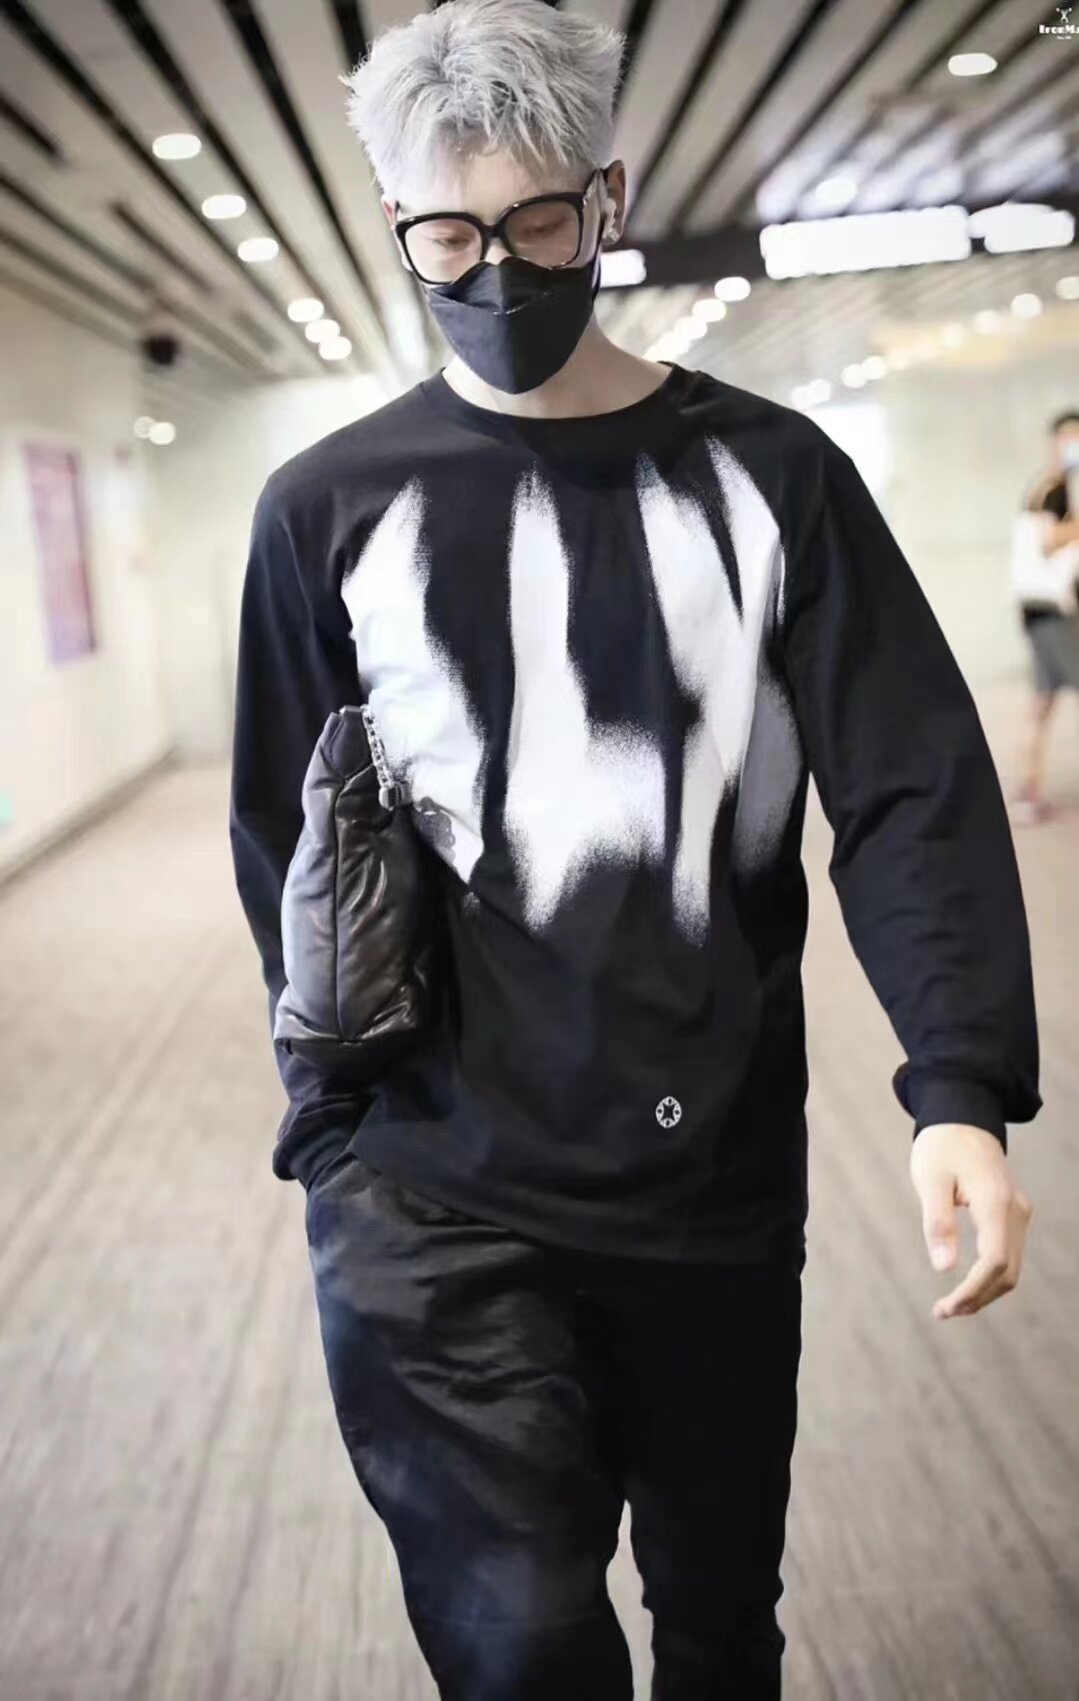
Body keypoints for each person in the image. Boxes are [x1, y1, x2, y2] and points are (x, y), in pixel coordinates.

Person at [228, 2, 1039, 1695]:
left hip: (707, 1175)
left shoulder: (773, 478)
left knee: (716, 1617)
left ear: (608, 201)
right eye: (446, 238)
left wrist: (955, 1085)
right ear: (395, 228)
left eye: (535, 225)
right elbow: (280, 837)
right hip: (432, 1185)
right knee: (518, 1636)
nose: (494, 272)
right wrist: (334, 1119)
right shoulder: (327, 507)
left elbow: (908, 785)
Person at [1011, 409, 1079, 825]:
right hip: (1050, 612)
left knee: (1042, 701)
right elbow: (1050, 540)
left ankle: (1027, 788)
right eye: (1069, 437)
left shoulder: (1052, 486)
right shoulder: (1052, 488)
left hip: (1040, 611)